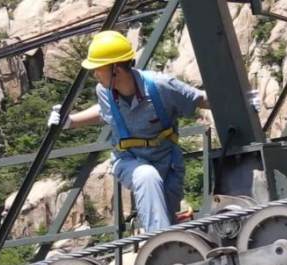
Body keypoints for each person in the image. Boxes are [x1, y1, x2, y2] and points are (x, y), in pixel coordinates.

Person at [48, 30, 210, 232]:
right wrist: (70, 121)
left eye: (98, 69)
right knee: (146, 176)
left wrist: (245, 101)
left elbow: (200, 99)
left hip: (168, 163)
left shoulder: (160, 86)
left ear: (115, 69)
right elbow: (106, 112)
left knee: (166, 221)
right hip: (129, 161)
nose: (95, 74)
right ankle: (159, 246)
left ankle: (167, 250)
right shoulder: (104, 91)